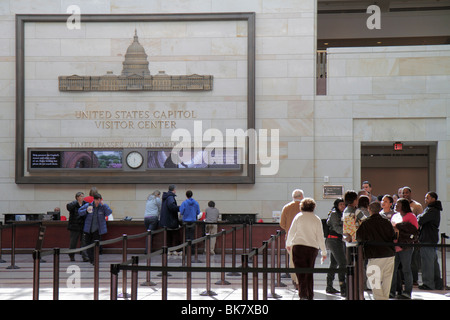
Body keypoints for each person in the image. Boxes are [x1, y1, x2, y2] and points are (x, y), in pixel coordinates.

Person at [286, 198, 327, 300]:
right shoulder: (316, 218)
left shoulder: (298, 217)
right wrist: (324, 251)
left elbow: (291, 232)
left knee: (300, 273)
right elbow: (320, 236)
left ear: (302, 206)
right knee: (309, 272)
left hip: (298, 247)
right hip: (312, 248)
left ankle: (303, 294)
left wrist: (288, 244)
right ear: (313, 207)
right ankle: (310, 295)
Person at [356, 201, 396, 300]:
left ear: (369, 209)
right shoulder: (386, 221)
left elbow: (359, 238)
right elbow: (392, 236)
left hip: (375, 255)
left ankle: (380, 299)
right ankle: (384, 298)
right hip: (389, 254)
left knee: (374, 281)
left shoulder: (366, 222)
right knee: (387, 280)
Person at [390, 198, 418, 299]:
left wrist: (400, 228)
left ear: (404, 206)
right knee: (393, 269)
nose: (396, 205)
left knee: (406, 269)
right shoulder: (395, 216)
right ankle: (392, 291)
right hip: (394, 245)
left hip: (406, 247)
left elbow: (414, 231)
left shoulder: (411, 216)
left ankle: (407, 292)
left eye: (398, 204)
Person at [417, 191, 443, 290]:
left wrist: (419, 216)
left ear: (433, 199)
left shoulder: (432, 210)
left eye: (427, 198)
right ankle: (437, 283)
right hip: (431, 238)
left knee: (427, 262)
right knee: (433, 262)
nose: (425, 200)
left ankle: (428, 284)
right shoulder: (432, 209)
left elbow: (420, 219)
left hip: (428, 239)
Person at [78, 193, 112, 264]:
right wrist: (86, 211)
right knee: (89, 245)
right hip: (88, 229)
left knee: (96, 246)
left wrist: (104, 205)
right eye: (96, 200)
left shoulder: (102, 207)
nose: (97, 201)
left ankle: (94, 260)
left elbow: (109, 212)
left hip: (97, 230)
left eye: (99, 200)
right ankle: (91, 259)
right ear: (94, 199)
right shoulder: (88, 205)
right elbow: (80, 212)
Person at [280, 189, 304, 286]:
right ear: (302, 196)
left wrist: (288, 228)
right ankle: (301, 280)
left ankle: (295, 280)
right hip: (303, 238)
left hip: (290, 238)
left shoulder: (286, 207)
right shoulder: (304, 207)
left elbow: (282, 224)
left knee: (293, 260)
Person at [325, 198, 347, 296]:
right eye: (341, 204)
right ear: (337, 205)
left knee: (334, 264)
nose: (342, 206)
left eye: (344, 204)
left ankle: (329, 286)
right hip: (333, 240)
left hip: (338, 240)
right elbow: (336, 227)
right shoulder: (334, 213)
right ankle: (343, 288)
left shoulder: (342, 214)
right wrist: (348, 233)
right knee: (343, 263)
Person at [66, 192, 87, 261]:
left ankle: (85, 256)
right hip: (74, 226)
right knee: (73, 242)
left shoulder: (85, 204)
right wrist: (76, 202)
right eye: (81, 196)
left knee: (84, 242)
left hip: (83, 226)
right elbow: (68, 207)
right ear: (77, 197)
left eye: (83, 196)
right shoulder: (73, 204)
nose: (82, 198)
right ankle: (71, 255)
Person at [159, 185, 181, 252]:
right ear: (174, 190)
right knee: (175, 236)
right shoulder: (170, 197)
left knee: (168, 237)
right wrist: (180, 208)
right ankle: (176, 250)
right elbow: (172, 207)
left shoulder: (166, 197)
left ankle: (169, 250)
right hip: (171, 220)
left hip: (166, 220)